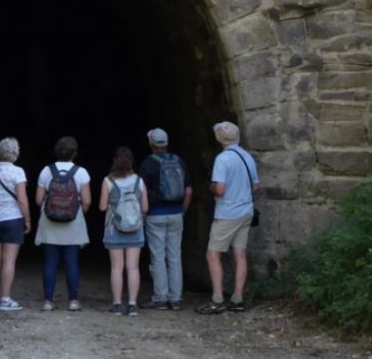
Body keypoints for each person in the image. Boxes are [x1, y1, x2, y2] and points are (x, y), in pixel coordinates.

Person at [196, 121, 260, 315]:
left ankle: (217, 299)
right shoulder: (247, 156)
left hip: (227, 213)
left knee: (213, 254)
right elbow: (255, 186)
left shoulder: (223, 159)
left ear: (219, 139)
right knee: (239, 254)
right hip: (246, 211)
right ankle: (238, 298)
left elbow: (220, 189)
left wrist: (212, 187)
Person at [34, 136, 92, 312]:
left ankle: (48, 301)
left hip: (50, 221)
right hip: (73, 222)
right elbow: (87, 201)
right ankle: (73, 301)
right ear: (75, 153)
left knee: (50, 261)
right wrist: (77, 213)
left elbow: (38, 199)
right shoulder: (81, 172)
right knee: (71, 261)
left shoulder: (46, 171)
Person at [138, 127, 192, 310]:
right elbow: (189, 191)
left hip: (155, 214)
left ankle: (160, 297)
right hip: (176, 213)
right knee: (175, 256)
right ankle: (175, 298)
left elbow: (141, 192)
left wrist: (143, 214)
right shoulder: (179, 161)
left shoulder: (147, 164)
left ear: (151, 144)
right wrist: (182, 211)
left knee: (158, 257)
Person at [0, 137, 30, 311]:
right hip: (12, 219)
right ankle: (5, 299)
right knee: (9, 260)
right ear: (16, 153)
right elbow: (22, 200)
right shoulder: (18, 172)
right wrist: (28, 220)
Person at [99, 146, 148, 317]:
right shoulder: (139, 181)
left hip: (114, 229)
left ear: (114, 161)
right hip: (135, 228)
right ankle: (133, 305)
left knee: (116, 268)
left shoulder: (108, 181)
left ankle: (117, 304)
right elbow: (145, 207)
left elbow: (102, 206)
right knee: (133, 267)